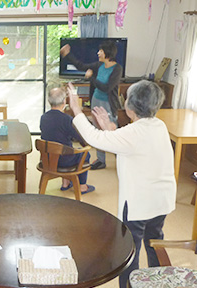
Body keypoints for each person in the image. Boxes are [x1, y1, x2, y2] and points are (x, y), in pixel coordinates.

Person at [67, 80, 176, 288]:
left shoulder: (133, 134)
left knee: (129, 250)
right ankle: (158, 281)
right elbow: (130, 145)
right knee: (154, 243)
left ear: (131, 106)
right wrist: (110, 128)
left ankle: (129, 285)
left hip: (138, 206)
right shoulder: (158, 125)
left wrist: (76, 109)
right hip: (161, 201)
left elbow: (94, 138)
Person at [60, 41, 122, 170]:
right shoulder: (99, 65)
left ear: (107, 53)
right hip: (96, 100)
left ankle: (121, 159)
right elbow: (81, 65)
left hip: (108, 104)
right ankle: (101, 160)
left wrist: (91, 77)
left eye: (101, 51)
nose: (98, 53)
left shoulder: (117, 69)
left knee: (112, 132)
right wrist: (68, 54)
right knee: (97, 130)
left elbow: (107, 87)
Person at [40, 86, 95, 194]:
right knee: (85, 154)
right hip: (64, 161)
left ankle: (65, 183)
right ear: (64, 101)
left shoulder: (43, 117)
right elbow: (79, 137)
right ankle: (82, 186)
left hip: (47, 159)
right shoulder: (66, 119)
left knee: (62, 147)